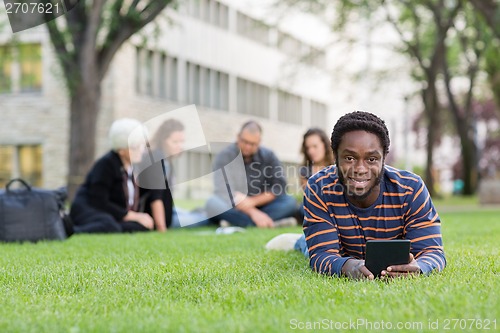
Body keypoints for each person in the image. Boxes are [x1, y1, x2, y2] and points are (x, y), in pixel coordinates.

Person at [266, 111, 446, 279]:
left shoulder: (411, 189)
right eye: (349, 158)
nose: (360, 169)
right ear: (335, 156)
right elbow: (322, 255)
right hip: (340, 247)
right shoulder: (318, 187)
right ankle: (300, 241)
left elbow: (433, 252)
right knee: (310, 248)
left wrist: (419, 267)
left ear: (384, 157)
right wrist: (348, 267)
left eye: (372, 159)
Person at [70, 118, 165, 233]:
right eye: (136, 147)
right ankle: (71, 230)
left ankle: (116, 227)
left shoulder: (131, 166)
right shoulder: (106, 164)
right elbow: (99, 201)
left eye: (142, 146)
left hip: (111, 215)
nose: (141, 150)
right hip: (89, 210)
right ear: (121, 150)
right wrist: (132, 216)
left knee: (142, 226)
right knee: (109, 224)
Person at [206, 120, 298, 228]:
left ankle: (237, 222)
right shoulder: (224, 156)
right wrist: (253, 212)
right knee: (212, 203)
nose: (248, 147)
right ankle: (266, 222)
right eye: (245, 142)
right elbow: (223, 190)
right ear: (238, 137)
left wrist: (252, 202)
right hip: (235, 206)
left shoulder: (269, 156)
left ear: (259, 142)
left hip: (264, 206)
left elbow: (279, 187)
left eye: (253, 144)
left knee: (290, 202)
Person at [144, 118, 209, 228]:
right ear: (163, 140)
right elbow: (156, 198)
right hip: (157, 217)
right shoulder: (156, 159)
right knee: (204, 219)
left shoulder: (166, 160)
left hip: (169, 210)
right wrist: (162, 228)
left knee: (194, 212)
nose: (180, 146)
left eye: (182, 142)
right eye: (175, 142)